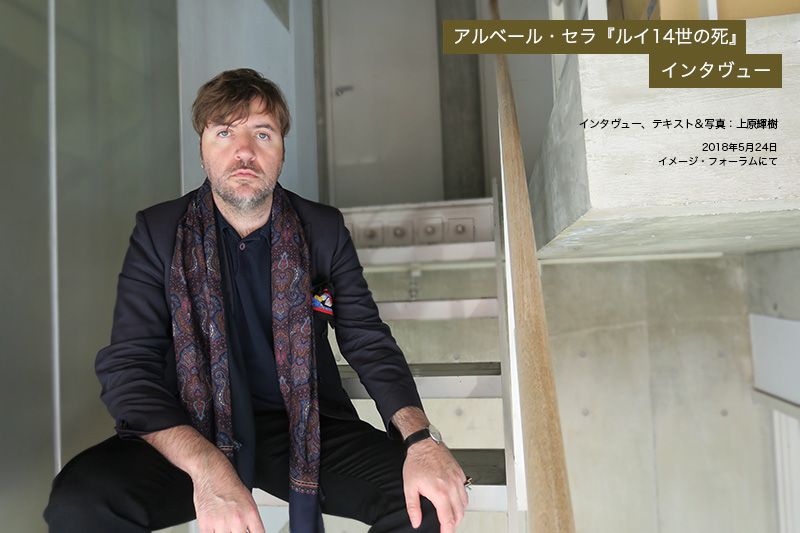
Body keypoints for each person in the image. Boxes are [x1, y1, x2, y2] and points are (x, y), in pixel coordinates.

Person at [45, 68, 468, 533]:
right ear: (203, 151)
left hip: (301, 428)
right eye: (224, 133)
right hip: (193, 423)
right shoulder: (158, 232)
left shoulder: (322, 230)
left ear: (281, 151)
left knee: (427, 504)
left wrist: (420, 438)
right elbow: (129, 367)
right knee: (79, 503)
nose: (244, 151)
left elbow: (367, 339)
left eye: (262, 134)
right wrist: (206, 466)